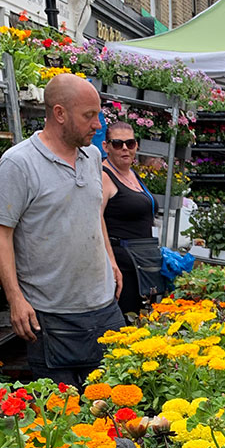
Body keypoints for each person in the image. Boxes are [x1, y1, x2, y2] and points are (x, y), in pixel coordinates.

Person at [0, 73, 124, 386]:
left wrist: (111, 261)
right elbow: (0, 232)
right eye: (89, 115)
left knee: (119, 407)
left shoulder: (92, 156)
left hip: (104, 307)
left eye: (99, 114)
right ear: (59, 114)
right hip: (51, 315)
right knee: (63, 419)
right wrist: (16, 299)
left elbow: (94, 212)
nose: (97, 124)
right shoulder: (19, 163)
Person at [101, 121, 157, 316]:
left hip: (142, 262)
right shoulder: (104, 176)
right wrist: (110, 262)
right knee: (127, 321)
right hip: (122, 265)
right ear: (106, 146)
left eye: (130, 143)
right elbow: (95, 220)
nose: (125, 148)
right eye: (117, 143)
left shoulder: (132, 174)